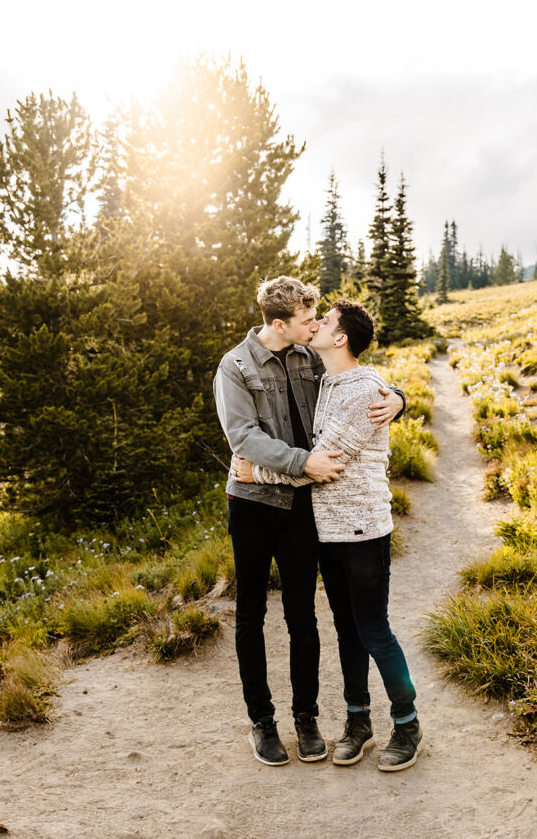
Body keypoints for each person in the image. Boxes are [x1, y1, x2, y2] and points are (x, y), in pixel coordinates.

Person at [212, 277, 404, 767]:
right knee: (251, 616)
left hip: (304, 509)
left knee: (303, 616)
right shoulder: (234, 366)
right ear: (280, 324)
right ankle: (263, 722)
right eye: (306, 319)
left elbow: (357, 377)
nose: (314, 324)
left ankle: (306, 718)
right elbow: (242, 437)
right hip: (253, 503)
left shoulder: (309, 356)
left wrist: (396, 397)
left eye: (318, 319)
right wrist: (299, 464)